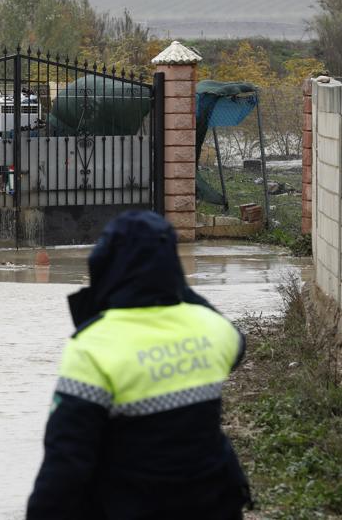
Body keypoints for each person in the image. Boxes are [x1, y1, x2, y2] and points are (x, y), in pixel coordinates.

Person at [26, 210, 251, 519]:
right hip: (214, 503)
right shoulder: (213, 331)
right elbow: (236, 345)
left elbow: (66, 462)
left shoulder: (94, 346)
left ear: (105, 263)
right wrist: (176, 288)